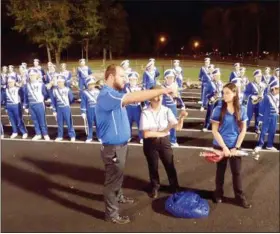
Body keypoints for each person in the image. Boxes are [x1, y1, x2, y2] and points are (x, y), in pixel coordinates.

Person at [95, 64, 175, 224]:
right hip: (113, 148)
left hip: (121, 146)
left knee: (118, 176)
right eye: (122, 76)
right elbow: (134, 97)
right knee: (112, 181)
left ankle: (118, 196)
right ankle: (111, 215)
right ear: (111, 77)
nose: (125, 79)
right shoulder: (107, 95)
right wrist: (162, 90)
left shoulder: (114, 94)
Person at [140, 85, 188, 199]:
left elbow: (177, 127)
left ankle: (175, 186)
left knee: (169, 165)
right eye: (157, 96)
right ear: (150, 98)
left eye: (160, 96)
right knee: (153, 166)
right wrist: (163, 133)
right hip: (150, 143)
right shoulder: (145, 112)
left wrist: (181, 118)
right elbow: (146, 134)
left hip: (164, 142)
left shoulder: (166, 110)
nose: (159, 99)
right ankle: (155, 187)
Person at [211, 82, 252, 209]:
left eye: (228, 93)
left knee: (237, 173)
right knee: (220, 171)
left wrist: (236, 147)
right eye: (223, 93)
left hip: (235, 147)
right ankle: (218, 194)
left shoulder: (242, 109)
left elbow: (243, 130)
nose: (225, 95)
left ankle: (239, 198)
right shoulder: (218, 109)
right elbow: (214, 130)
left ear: (235, 94)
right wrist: (224, 148)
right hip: (220, 146)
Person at [23, 69, 50, 141]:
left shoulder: (41, 84)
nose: (32, 76)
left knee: (42, 120)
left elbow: (46, 94)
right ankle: (38, 134)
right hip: (31, 105)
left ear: (37, 76)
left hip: (39, 104)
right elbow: (25, 97)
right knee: (35, 120)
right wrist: (26, 106)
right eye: (30, 75)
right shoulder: (26, 86)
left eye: (33, 75)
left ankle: (45, 134)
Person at [162, 69, 185, 146]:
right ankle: (162, 139)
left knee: (173, 123)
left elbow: (178, 97)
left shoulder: (175, 86)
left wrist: (182, 105)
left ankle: (173, 140)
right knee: (162, 124)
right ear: (166, 78)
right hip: (163, 107)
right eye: (169, 77)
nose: (171, 79)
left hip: (172, 107)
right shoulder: (162, 87)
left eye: (172, 78)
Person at [254, 80, 279, 152]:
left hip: (274, 117)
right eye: (276, 88)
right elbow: (261, 108)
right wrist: (260, 119)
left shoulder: (278, 97)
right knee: (263, 131)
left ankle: (270, 145)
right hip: (266, 116)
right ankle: (259, 145)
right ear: (272, 88)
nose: (277, 90)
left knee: (272, 131)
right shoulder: (267, 97)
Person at [50, 75, 76, 142]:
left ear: (64, 82)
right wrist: (54, 110)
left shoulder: (67, 89)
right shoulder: (54, 90)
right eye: (58, 82)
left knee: (69, 122)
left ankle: (72, 135)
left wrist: (67, 105)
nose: (60, 83)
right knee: (59, 123)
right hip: (59, 108)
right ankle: (60, 136)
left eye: (61, 82)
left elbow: (71, 99)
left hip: (66, 108)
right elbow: (53, 101)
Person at [124, 71, 143, 144]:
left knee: (140, 123)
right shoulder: (126, 88)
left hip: (137, 107)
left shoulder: (140, 88)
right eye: (131, 80)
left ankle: (141, 137)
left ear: (137, 80)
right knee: (128, 123)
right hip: (129, 107)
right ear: (129, 80)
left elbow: (143, 98)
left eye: (134, 80)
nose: (133, 81)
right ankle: (128, 136)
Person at [80, 77, 100, 143]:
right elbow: (83, 103)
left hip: (97, 110)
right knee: (90, 124)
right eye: (90, 84)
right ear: (87, 85)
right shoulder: (85, 93)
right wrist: (83, 112)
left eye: (93, 84)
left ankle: (99, 136)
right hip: (89, 110)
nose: (92, 86)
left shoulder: (98, 91)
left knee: (98, 124)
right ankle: (89, 136)